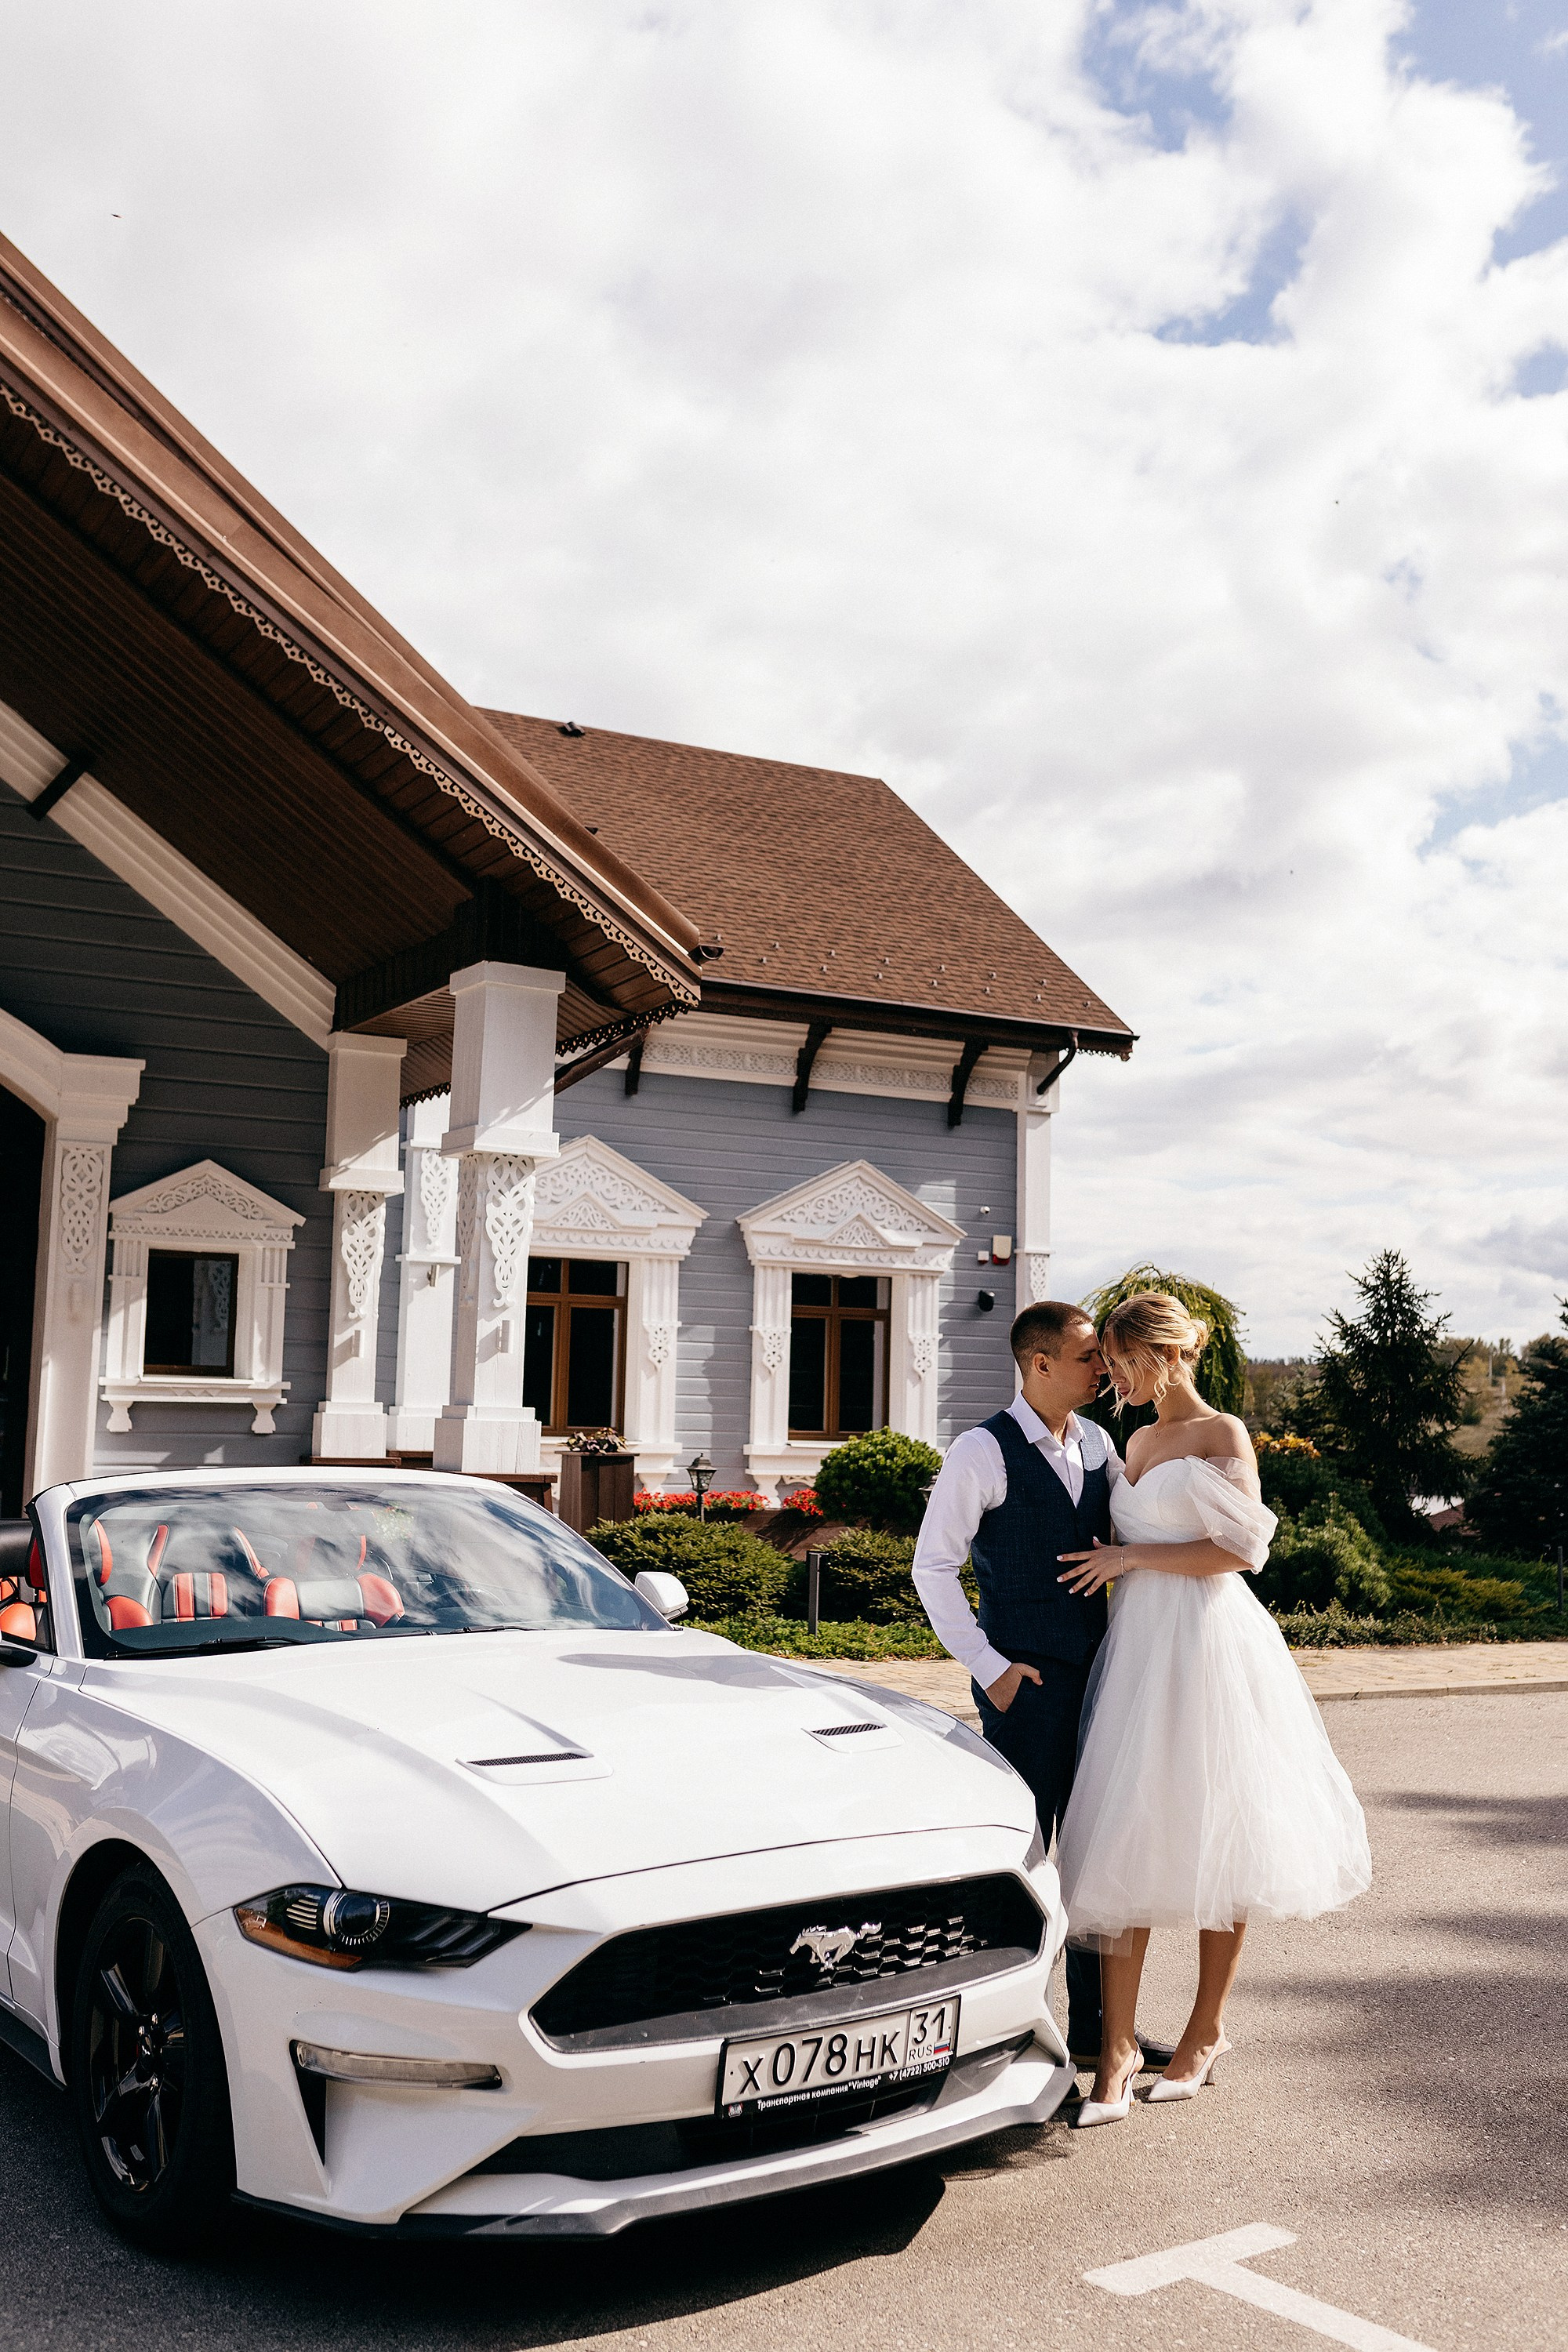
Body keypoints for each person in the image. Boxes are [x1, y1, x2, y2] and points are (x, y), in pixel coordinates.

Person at [1054, 1291, 1372, 2128]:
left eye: (1123, 1361)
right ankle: (1115, 2054)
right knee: (1127, 1833)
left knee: (1214, 1832)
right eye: (1110, 1362)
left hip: (1204, 1646)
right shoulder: (1135, 1438)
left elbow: (1241, 1549)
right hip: (1136, 1652)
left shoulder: (1220, 1433)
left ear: (1165, 1355)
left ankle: (1202, 2032)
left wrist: (1128, 1554)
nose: (1112, 1375)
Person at [912, 1299, 1176, 2073]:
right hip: (1024, 1689)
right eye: (1089, 1355)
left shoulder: (1097, 1442)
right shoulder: (979, 1452)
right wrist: (988, 1670)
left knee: (1096, 1862)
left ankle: (1100, 2037)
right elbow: (932, 1567)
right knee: (1025, 1864)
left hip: (1104, 1681)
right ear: (1039, 1364)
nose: (1102, 1367)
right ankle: (1005, 2036)